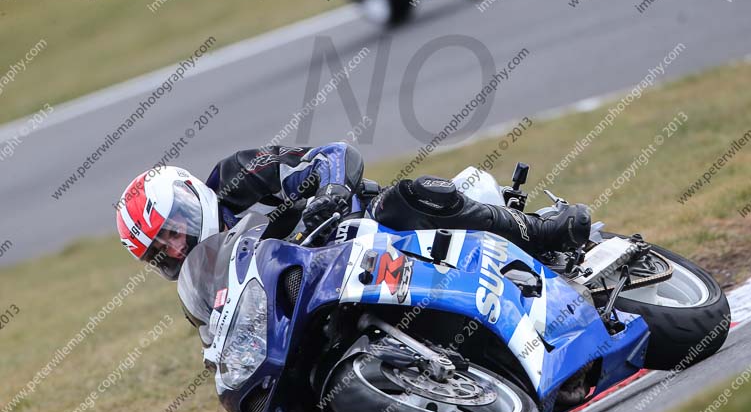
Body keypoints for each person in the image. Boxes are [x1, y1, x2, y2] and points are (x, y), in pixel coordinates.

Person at [115, 142, 591, 280]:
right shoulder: (205, 280)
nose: (176, 249)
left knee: (407, 198)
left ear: (188, 201)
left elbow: (332, 154)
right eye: (160, 252)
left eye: (172, 232)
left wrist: (332, 189)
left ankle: (537, 231)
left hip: (371, 229)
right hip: (329, 286)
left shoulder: (237, 175)